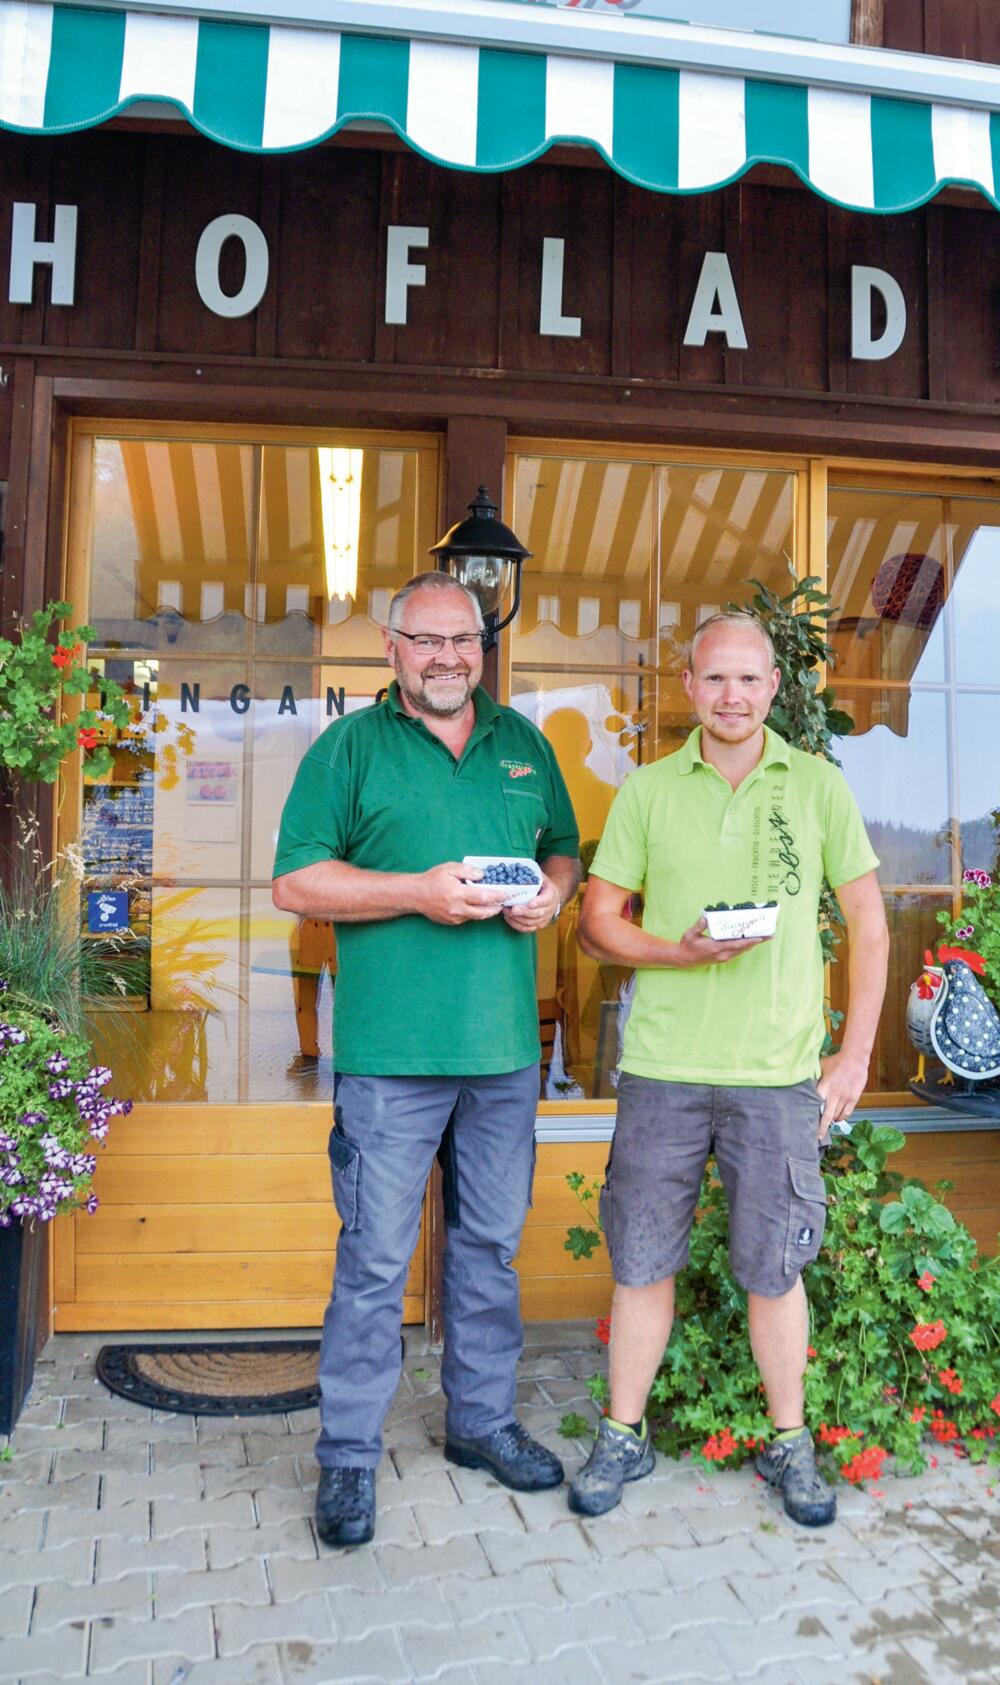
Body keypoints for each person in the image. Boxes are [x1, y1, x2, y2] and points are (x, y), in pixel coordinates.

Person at [272, 571, 581, 1548]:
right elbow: (295, 881)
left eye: (467, 640)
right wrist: (417, 890)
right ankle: (349, 1459)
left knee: (488, 1248)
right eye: (429, 640)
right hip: (390, 1057)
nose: (450, 656)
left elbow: (564, 848)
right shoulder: (350, 748)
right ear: (392, 646)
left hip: (500, 1054)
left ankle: (479, 1424)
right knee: (372, 1262)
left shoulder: (523, 745)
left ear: (483, 647)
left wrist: (553, 894)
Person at [570, 610, 887, 1526]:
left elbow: (868, 923)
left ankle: (792, 1443)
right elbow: (597, 921)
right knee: (640, 1258)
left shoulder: (819, 786)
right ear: (689, 686)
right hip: (664, 1067)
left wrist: (855, 1052)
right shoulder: (648, 792)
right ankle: (622, 1435)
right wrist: (679, 954)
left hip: (777, 1076)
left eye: (749, 680)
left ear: (774, 689)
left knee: (773, 1269)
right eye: (715, 679)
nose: (733, 696)